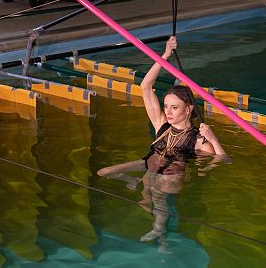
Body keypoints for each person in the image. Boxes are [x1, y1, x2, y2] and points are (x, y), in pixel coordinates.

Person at [97, 36, 227, 243]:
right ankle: (135, 181)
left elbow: (221, 161)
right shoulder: (161, 124)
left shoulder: (198, 138)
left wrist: (214, 139)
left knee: (158, 192)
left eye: (174, 108)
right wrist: (165, 55)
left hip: (173, 171)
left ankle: (158, 228)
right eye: (166, 106)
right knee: (103, 173)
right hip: (149, 162)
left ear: (188, 109)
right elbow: (145, 87)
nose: (168, 111)